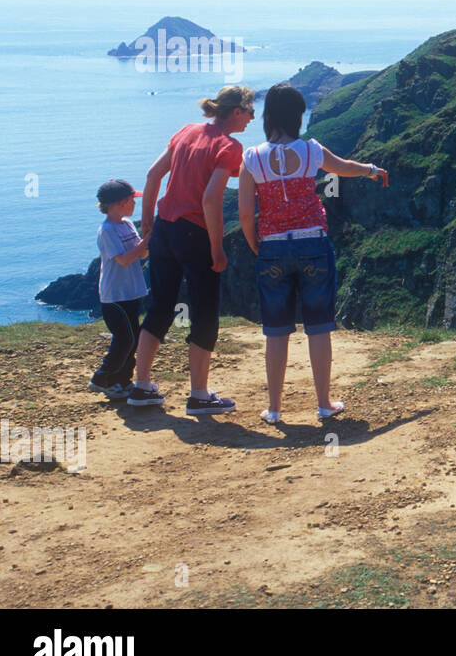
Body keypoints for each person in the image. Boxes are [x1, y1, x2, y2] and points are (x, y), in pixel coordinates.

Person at [238, 83, 389, 424]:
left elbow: (246, 214)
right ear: (298, 116)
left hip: (272, 246)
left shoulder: (251, 158)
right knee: (318, 327)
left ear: (268, 116)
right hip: (313, 243)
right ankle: (324, 404)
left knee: (276, 331)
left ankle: (275, 410)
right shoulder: (311, 151)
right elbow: (344, 166)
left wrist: (253, 243)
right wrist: (371, 170)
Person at [134, 85, 255, 414]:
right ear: (235, 112)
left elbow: (153, 174)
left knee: (159, 305)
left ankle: (141, 385)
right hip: (194, 233)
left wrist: (147, 222)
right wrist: (217, 247)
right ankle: (199, 394)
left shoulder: (186, 131)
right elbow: (210, 199)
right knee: (204, 309)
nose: (253, 117)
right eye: (249, 111)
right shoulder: (229, 146)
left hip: (165, 226)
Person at [89, 180, 150, 402]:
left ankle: (122, 380)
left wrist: (145, 244)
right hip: (114, 295)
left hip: (132, 291)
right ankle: (102, 378)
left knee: (132, 339)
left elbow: (141, 255)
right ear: (121, 203)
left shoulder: (127, 225)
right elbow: (124, 259)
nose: (134, 204)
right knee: (125, 338)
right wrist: (145, 243)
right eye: (132, 200)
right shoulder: (107, 230)